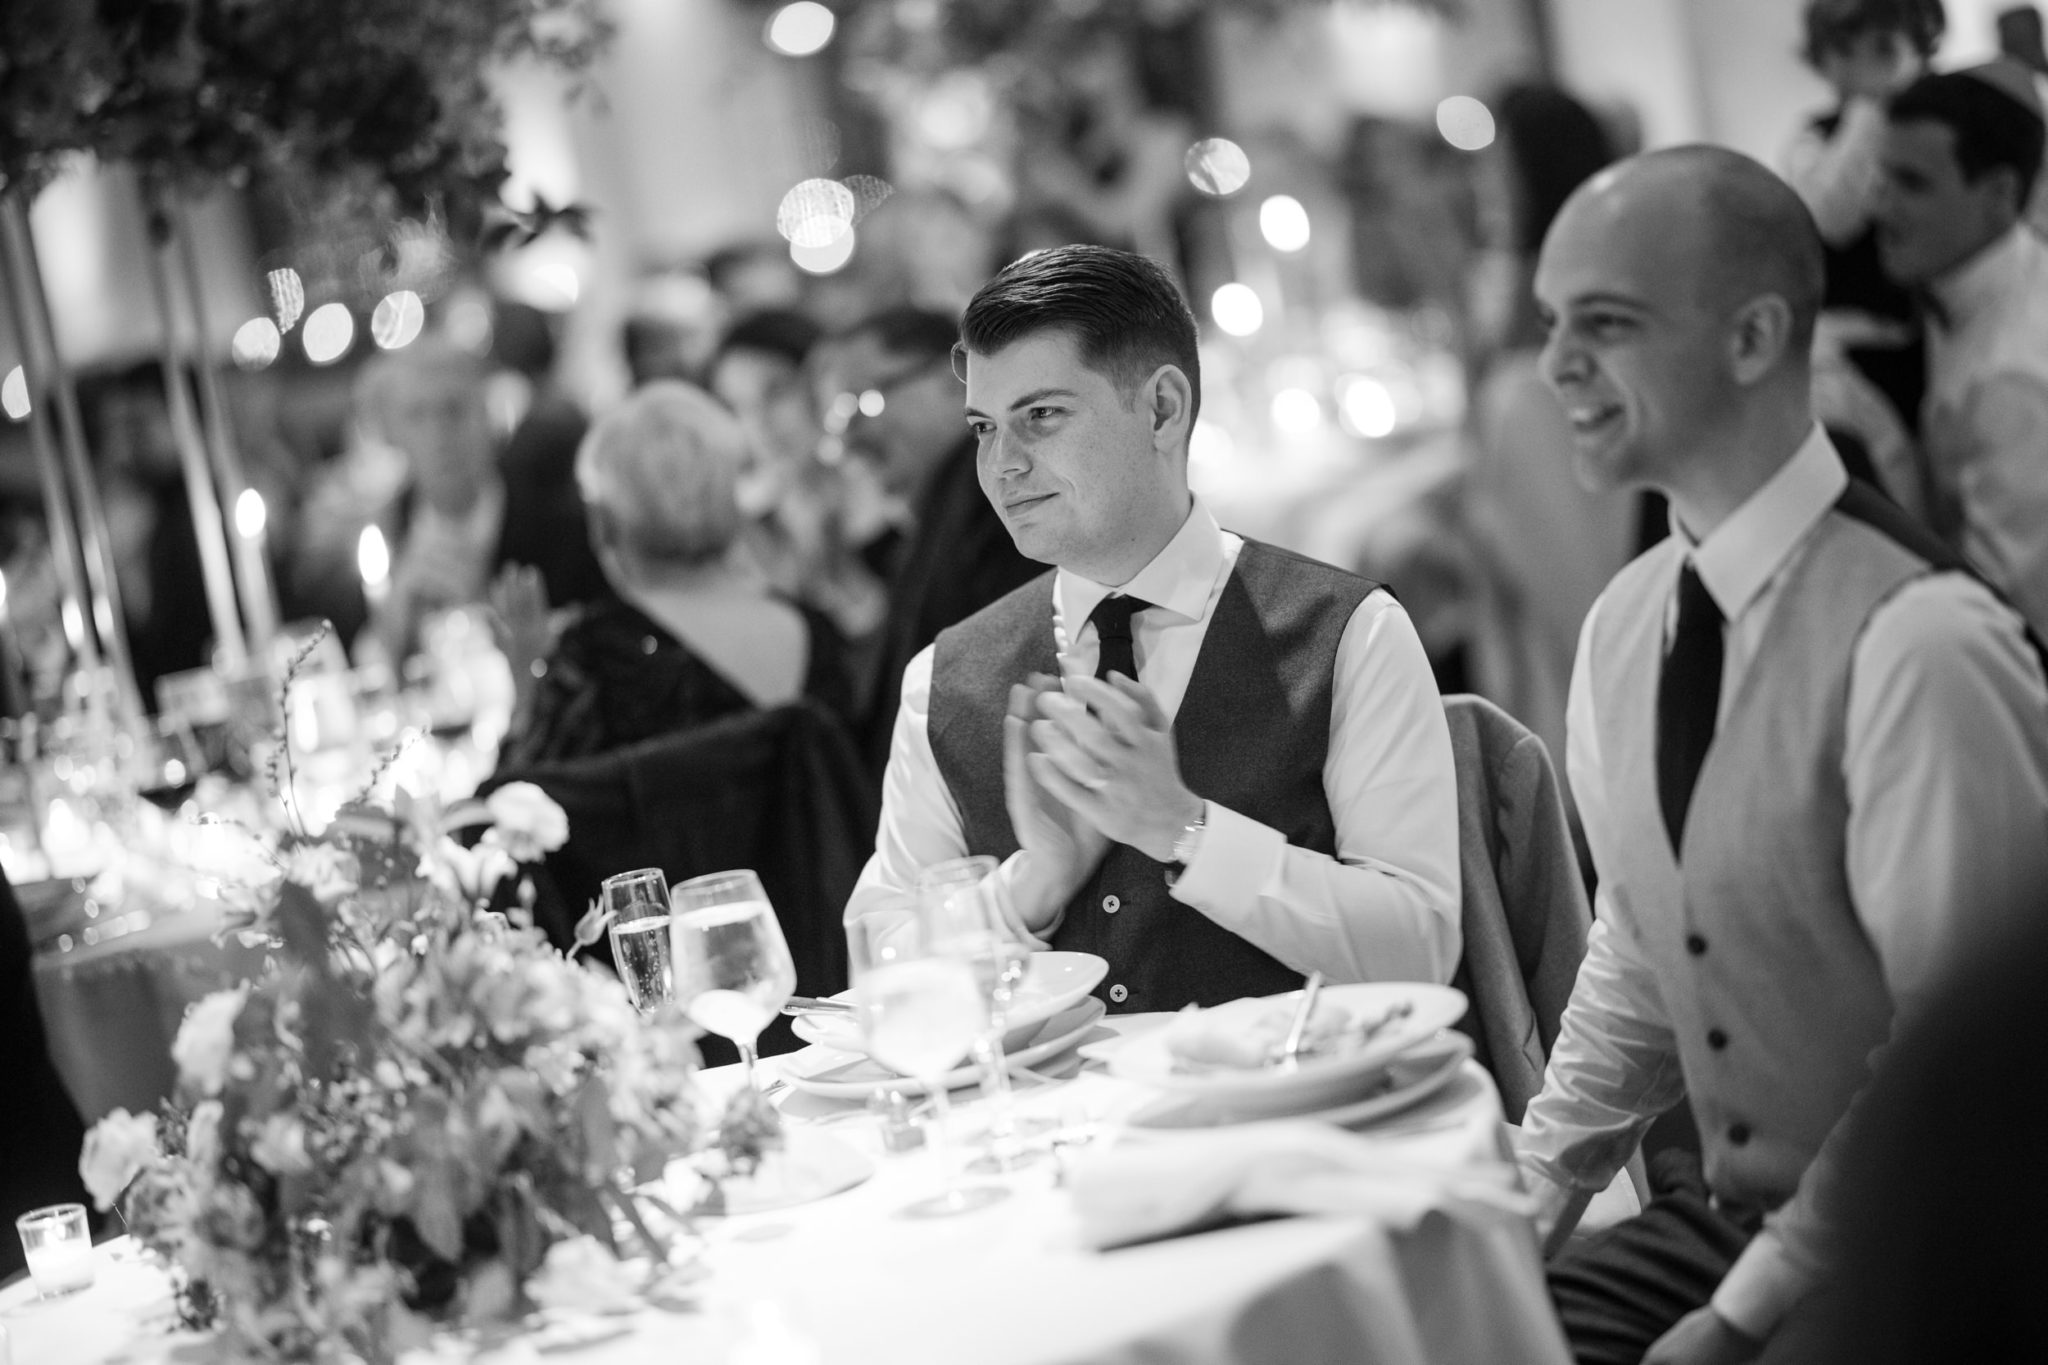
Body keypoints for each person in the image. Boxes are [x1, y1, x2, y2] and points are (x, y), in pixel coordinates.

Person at [1516, 145, 2048, 1365]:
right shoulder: (1622, 626)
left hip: (1935, 1243)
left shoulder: (1920, 646)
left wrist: (1739, 1315)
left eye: (1603, 324)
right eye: (1551, 323)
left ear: (1753, 338)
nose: (1553, 366)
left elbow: (1954, 1072)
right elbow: (1643, 949)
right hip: (1737, 1221)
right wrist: (1524, 1198)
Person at [845, 245, 1461, 1011]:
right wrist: (1031, 883)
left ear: (1163, 409)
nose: (1001, 466)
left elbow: (1421, 946)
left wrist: (1185, 828)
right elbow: (882, 979)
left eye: (1040, 416)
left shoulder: (1349, 635)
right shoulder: (945, 679)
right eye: (982, 428)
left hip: (1301, 1116)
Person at [495, 381, 845, 770]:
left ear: (606, 524)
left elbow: (522, 810)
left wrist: (530, 688)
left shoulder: (594, 659)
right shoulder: (815, 632)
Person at [1462, 83, 1640, 772]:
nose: (1485, 184)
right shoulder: (1507, 278)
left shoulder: (1566, 290)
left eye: (1498, 163)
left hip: (1565, 498)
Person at [817, 307, 1042, 770]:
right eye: (837, 419)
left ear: (954, 378)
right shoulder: (939, 516)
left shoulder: (1002, 501)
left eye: (864, 402)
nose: (848, 441)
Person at [1876, 63, 2048, 632]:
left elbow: (2012, 611)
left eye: (1912, 183)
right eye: (1883, 178)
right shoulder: (1958, 281)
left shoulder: (2017, 375)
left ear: (1999, 193)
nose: (1881, 208)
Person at [1781, 0, 1946, 447]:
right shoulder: (1817, 137)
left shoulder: (1947, 122)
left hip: (1945, 329)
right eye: (1845, 49)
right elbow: (1830, 218)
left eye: (1882, 46)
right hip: (1864, 343)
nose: (1865, 64)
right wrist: (1870, 108)